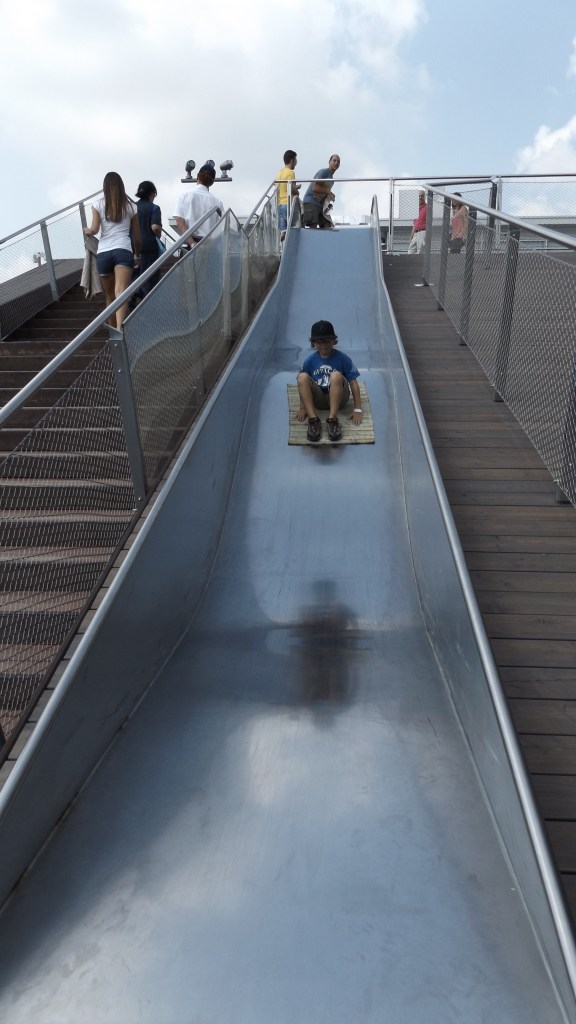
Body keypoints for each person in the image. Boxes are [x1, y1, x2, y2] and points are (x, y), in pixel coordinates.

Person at [83, 171, 141, 329]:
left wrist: (86, 230)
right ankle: (120, 330)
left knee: (109, 296)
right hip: (123, 250)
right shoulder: (131, 207)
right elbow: (137, 237)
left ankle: (113, 333)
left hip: (104, 253)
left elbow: (94, 230)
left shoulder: (98, 204)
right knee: (121, 292)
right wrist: (137, 255)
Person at [296, 319, 363, 442]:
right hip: (319, 400)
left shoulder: (343, 358)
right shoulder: (310, 361)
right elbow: (302, 385)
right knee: (302, 376)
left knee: (336, 375)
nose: (324, 345)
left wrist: (357, 409)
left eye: (327, 341)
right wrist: (302, 407)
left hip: (339, 399)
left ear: (334, 341)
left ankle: (332, 419)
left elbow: (353, 383)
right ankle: (313, 419)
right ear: (314, 343)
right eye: (319, 342)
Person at [174, 163, 223, 244]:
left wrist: (192, 244)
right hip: (210, 246)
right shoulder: (218, 202)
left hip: (188, 246)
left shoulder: (183, 196)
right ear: (212, 182)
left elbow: (179, 222)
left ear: (197, 176)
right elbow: (220, 229)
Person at [134, 180, 163, 297]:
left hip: (132, 247)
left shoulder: (131, 207)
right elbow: (155, 227)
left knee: (135, 276)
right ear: (152, 194)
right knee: (150, 278)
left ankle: (133, 300)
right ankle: (147, 305)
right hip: (149, 247)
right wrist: (159, 233)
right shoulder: (154, 208)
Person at [302, 154, 341, 229]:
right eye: (334, 160)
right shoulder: (324, 172)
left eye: (338, 162)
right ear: (329, 162)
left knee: (327, 225)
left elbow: (323, 194)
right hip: (311, 201)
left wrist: (327, 204)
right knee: (313, 227)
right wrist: (329, 192)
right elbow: (315, 188)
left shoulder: (332, 180)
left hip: (320, 205)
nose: (336, 163)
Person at [276, 149, 299, 240]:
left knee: (283, 230)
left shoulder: (279, 173)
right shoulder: (290, 173)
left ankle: (282, 246)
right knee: (293, 228)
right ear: (291, 160)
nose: (296, 162)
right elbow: (292, 189)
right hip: (288, 204)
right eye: (295, 160)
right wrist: (297, 191)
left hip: (280, 205)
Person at [408, 189, 427, 254]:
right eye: (419, 196)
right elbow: (414, 225)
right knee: (410, 252)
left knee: (420, 254)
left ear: (425, 197)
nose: (420, 197)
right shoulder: (415, 208)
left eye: (422, 196)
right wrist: (411, 237)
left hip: (423, 232)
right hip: (415, 234)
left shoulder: (427, 207)